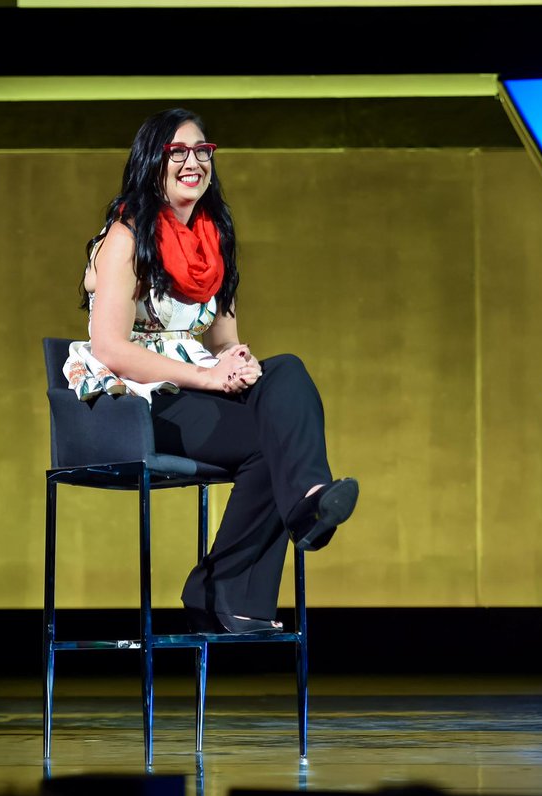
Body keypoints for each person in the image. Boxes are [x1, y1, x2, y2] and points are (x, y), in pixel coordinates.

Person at [62, 107, 359, 635]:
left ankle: (309, 502)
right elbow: (110, 346)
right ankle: (224, 588)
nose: (194, 162)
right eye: (179, 152)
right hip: (139, 400)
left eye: (203, 151)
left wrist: (236, 362)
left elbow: (222, 339)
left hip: (194, 381)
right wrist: (210, 378)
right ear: (154, 161)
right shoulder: (126, 237)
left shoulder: (211, 237)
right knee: (273, 442)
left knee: (285, 373)